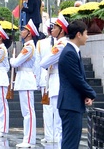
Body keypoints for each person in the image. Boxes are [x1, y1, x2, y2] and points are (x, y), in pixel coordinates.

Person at [57, 19, 97, 149]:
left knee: (72, 142)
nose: (87, 37)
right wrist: (91, 93)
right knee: (70, 144)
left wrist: (85, 94)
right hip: (70, 104)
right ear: (78, 34)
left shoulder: (73, 51)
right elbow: (77, 79)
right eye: (85, 33)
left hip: (72, 103)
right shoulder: (69, 52)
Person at [38, 14, 69, 145]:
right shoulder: (61, 43)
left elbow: (44, 63)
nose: (52, 30)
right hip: (55, 82)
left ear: (61, 30)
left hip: (57, 82)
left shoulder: (61, 45)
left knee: (58, 123)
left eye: (55, 27)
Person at [10, 19, 39, 148]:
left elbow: (15, 63)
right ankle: (27, 138)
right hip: (23, 78)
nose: (21, 32)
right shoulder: (27, 47)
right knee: (26, 111)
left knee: (28, 112)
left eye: (24, 30)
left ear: (29, 33)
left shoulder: (28, 47)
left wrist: (12, 59)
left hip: (26, 79)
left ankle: (29, 140)